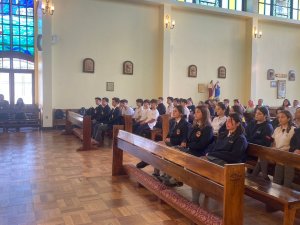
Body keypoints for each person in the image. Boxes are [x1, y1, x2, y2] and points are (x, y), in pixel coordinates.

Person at [192, 113, 247, 204]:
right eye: (227, 120)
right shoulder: (223, 134)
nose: (227, 123)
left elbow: (234, 156)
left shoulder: (240, 139)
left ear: (237, 124)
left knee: (201, 164)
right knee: (198, 163)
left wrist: (213, 154)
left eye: (230, 121)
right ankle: (196, 199)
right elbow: (213, 146)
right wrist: (209, 152)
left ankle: (196, 200)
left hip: (229, 165)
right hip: (215, 158)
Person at [246, 107, 274, 179]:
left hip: (258, 152)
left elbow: (265, 143)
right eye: (256, 113)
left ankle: (257, 177)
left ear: (265, 116)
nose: (256, 115)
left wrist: (249, 141)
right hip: (248, 149)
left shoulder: (267, 126)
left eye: (259, 114)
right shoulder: (252, 123)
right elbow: (245, 134)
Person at [272, 110, 295, 187]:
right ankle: (275, 196)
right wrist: (274, 150)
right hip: (279, 155)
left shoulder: (293, 130)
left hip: (289, 156)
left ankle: (286, 193)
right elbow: (274, 143)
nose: (280, 119)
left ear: (288, 118)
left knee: (287, 182)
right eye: (279, 117)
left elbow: (294, 146)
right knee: (276, 181)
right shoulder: (277, 129)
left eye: (283, 117)